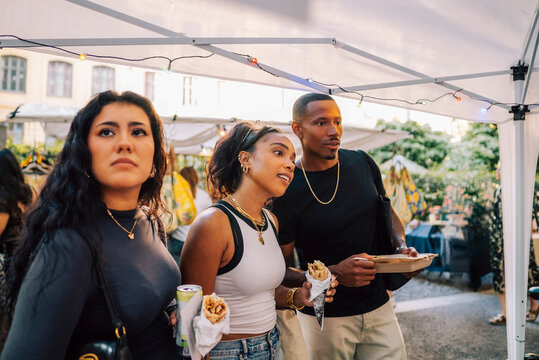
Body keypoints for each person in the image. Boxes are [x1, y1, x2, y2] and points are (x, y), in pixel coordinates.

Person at [1, 91, 181, 359]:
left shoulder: (150, 221)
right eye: (107, 132)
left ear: (155, 156)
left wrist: (170, 312)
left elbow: (142, 297)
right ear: (83, 153)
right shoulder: (69, 244)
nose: (124, 143)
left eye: (139, 132)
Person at [273, 93, 419, 360]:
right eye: (321, 123)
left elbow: (387, 213)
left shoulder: (362, 162)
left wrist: (400, 250)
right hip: (325, 319)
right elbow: (278, 270)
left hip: (379, 307)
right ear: (298, 129)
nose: (334, 131)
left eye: (338, 122)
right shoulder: (287, 187)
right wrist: (333, 272)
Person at [180, 121, 337, 360]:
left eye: (292, 157)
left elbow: (265, 292)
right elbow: (192, 318)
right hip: (229, 353)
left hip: (274, 344)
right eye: (278, 152)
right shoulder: (214, 224)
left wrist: (299, 296)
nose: (289, 164)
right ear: (245, 159)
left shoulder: (270, 220)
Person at [487, 166, 539, 325]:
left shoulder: (512, 189)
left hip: (508, 239)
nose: (498, 171)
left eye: (501, 168)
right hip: (505, 238)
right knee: (523, 271)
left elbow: (530, 212)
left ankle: (515, 312)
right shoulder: (504, 189)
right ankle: (522, 309)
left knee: (511, 273)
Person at [0, 149, 34, 342]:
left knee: (10, 307)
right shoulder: (27, 192)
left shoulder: (4, 199)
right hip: (28, 255)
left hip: (11, 259)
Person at [167, 166, 212, 260]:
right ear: (196, 178)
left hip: (177, 239)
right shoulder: (205, 196)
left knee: (176, 273)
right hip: (196, 241)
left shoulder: (175, 195)